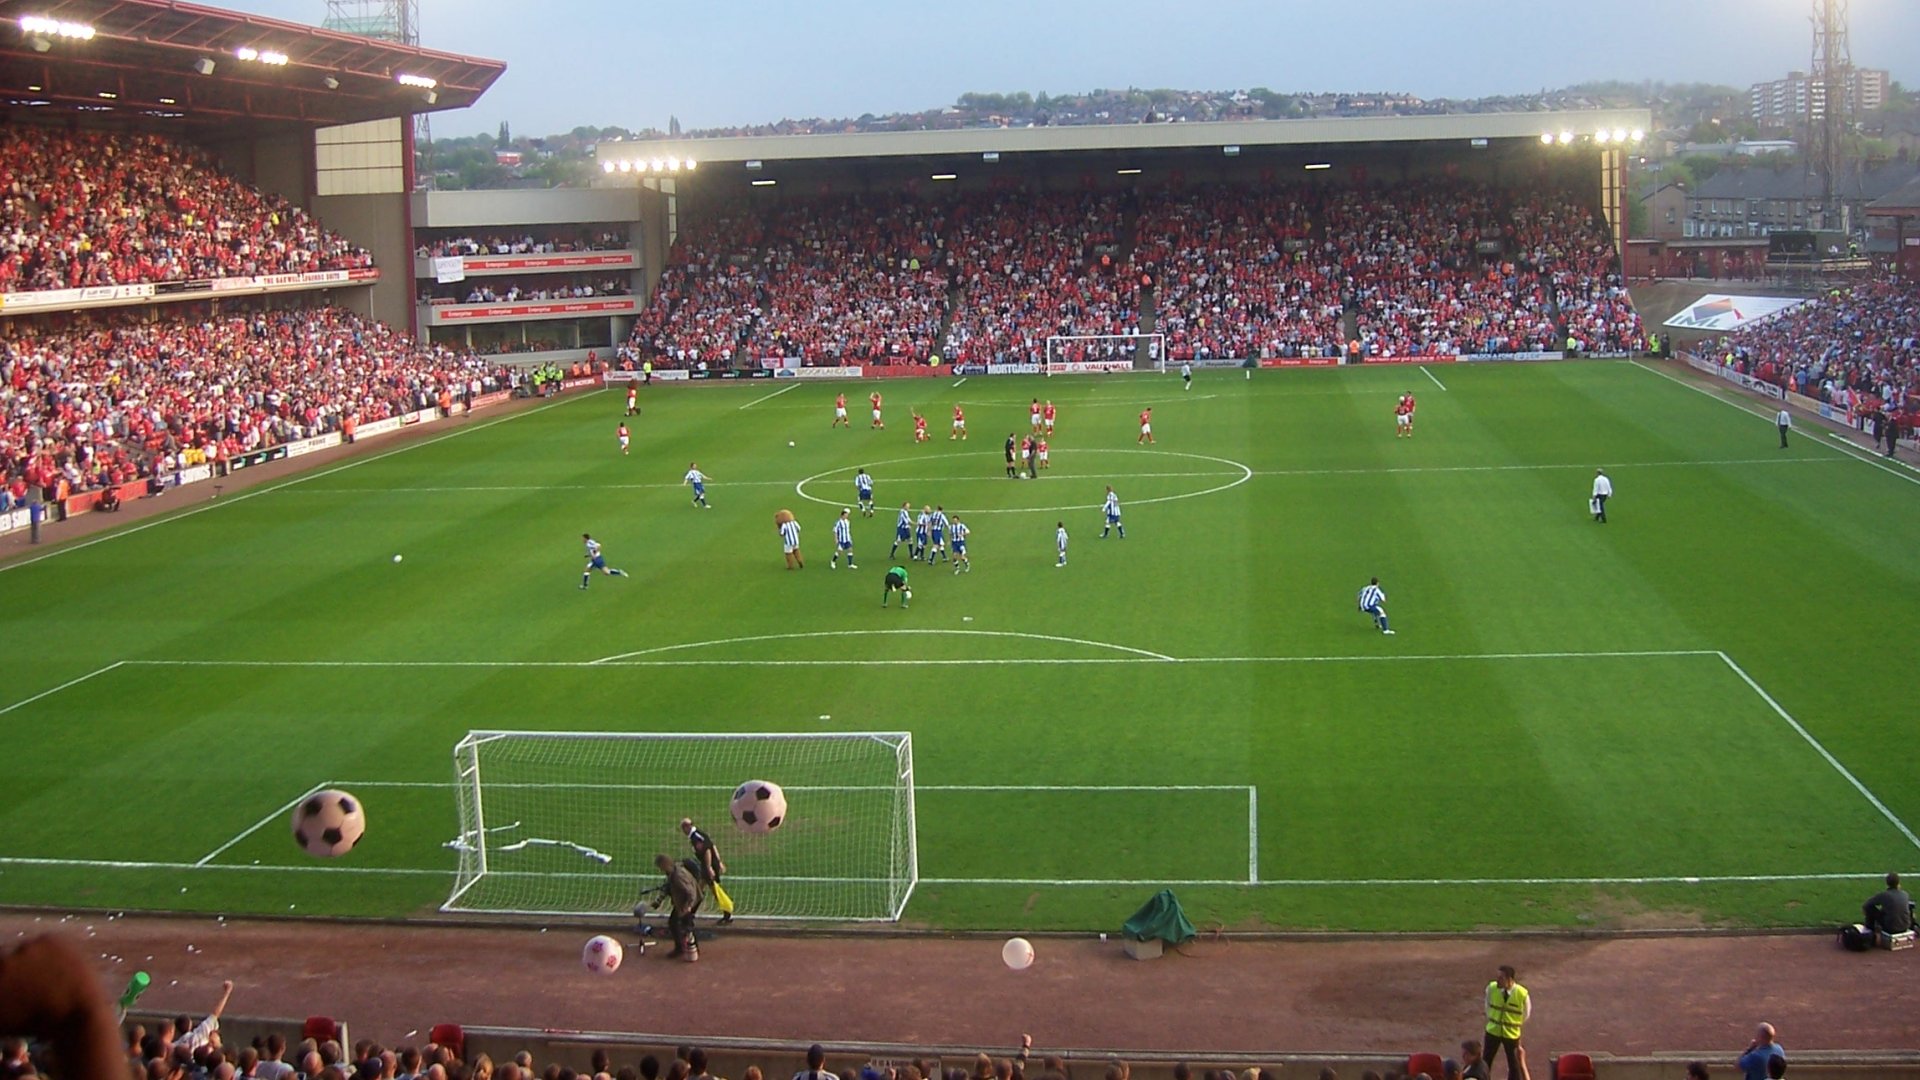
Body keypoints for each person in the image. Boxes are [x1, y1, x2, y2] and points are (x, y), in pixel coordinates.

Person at [645, 853, 702, 962]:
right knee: (678, 923)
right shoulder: (673, 872)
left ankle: (685, 949)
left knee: (683, 924)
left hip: (689, 901)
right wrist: (658, 902)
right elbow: (667, 888)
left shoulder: (678, 876)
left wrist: (687, 907)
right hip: (684, 901)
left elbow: (691, 893)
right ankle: (686, 947)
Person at [679, 818, 734, 925]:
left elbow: (707, 851)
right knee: (701, 890)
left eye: (683, 828)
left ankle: (726, 913)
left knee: (707, 891)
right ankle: (690, 915)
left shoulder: (696, 837)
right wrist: (719, 862)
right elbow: (712, 845)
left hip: (708, 867)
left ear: (687, 827)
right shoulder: (698, 834)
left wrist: (709, 868)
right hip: (710, 866)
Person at [1482, 966, 1530, 1080]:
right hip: (1493, 1031)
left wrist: (1513, 1023)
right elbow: (1487, 1007)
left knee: (1514, 1065)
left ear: (1510, 979)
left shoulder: (1522, 994)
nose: (1497, 980)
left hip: (1511, 1034)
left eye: (1501, 978)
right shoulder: (1491, 988)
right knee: (1486, 1062)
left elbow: (1526, 1014)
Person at [1863, 871, 1914, 936]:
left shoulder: (1884, 895)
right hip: (1905, 926)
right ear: (1898, 883)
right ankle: (1913, 927)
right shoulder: (1905, 894)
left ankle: (1871, 931)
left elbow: (1867, 904)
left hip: (1890, 928)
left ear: (1887, 883)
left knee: (1869, 908)